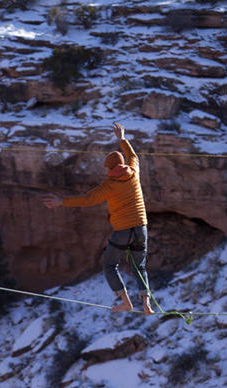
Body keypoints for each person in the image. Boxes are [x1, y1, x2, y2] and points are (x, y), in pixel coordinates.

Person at [43, 122, 153, 315]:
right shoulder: (134, 173)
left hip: (122, 231)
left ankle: (126, 302)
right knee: (140, 266)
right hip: (141, 228)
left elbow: (87, 199)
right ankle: (146, 305)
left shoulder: (109, 185)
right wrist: (122, 139)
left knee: (110, 265)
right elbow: (133, 156)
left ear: (110, 168)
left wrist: (62, 202)